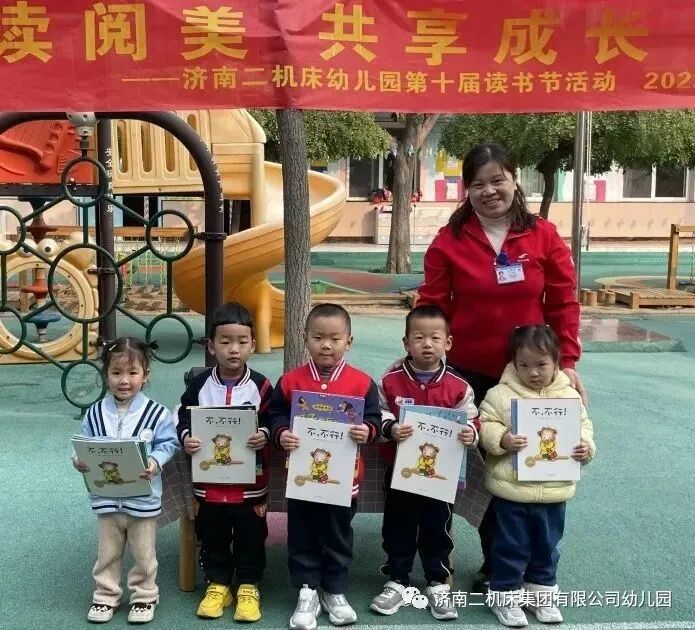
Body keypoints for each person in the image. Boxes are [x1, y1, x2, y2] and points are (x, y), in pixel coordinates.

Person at [417, 143, 583, 589]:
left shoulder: (543, 235)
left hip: (531, 374)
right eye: (477, 184)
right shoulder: (449, 240)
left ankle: (531, 566)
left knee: (529, 463)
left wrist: (566, 363)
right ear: (466, 189)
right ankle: (497, 564)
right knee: (480, 472)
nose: (489, 191)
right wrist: (423, 355)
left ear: (514, 179)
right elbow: (432, 305)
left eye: (497, 180)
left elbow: (563, 302)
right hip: (468, 373)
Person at [269, 303, 381, 630]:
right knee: (301, 533)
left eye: (335, 338)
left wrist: (368, 430)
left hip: (343, 480)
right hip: (302, 479)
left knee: (337, 534)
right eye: (318, 338)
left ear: (349, 341)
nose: (326, 345)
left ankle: (334, 589)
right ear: (305, 339)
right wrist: (281, 432)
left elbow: (374, 418)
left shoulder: (362, 383)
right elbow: (275, 415)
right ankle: (307, 591)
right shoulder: (290, 381)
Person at [479, 325, 595, 627]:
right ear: (514, 363)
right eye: (524, 365)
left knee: (547, 545)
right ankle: (505, 595)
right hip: (511, 491)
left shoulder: (569, 396)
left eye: (541, 364)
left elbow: (584, 428)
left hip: (554, 490)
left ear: (556, 362)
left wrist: (585, 447)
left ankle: (541, 593)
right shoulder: (500, 394)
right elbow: (485, 424)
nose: (533, 372)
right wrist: (502, 438)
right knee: (509, 544)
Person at [371, 305, 479, 621]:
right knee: (398, 525)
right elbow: (379, 412)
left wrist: (470, 432)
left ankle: (438, 581)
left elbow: (473, 418)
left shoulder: (459, 386)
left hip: (441, 476)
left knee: (437, 526)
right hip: (400, 472)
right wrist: (391, 427)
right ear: (406, 343)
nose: (427, 344)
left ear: (448, 342)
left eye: (435, 338)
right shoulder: (390, 380)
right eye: (419, 338)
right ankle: (397, 578)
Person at [177, 303, 273, 622]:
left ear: (252, 345)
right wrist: (187, 436)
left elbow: (273, 418)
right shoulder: (199, 385)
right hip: (209, 483)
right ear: (211, 346)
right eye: (225, 341)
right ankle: (218, 584)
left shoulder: (261, 385)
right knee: (212, 533)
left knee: (251, 535)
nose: (234, 349)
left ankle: (248, 585)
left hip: (250, 484)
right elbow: (183, 416)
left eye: (242, 341)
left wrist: (264, 433)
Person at [73, 338, 178, 624]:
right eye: (116, 372)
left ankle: (144, 595)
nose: (124, 380)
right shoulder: (95, 413)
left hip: (143, 498)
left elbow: (168, 443)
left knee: (144, 553)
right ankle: (106, 595)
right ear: (105, 375)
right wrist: (79, 460)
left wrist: (155, 461)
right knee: (107, 552)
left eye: (133, 373)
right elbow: (83, 444)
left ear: (146, 375)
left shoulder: (157, 413)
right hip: (106, 498)